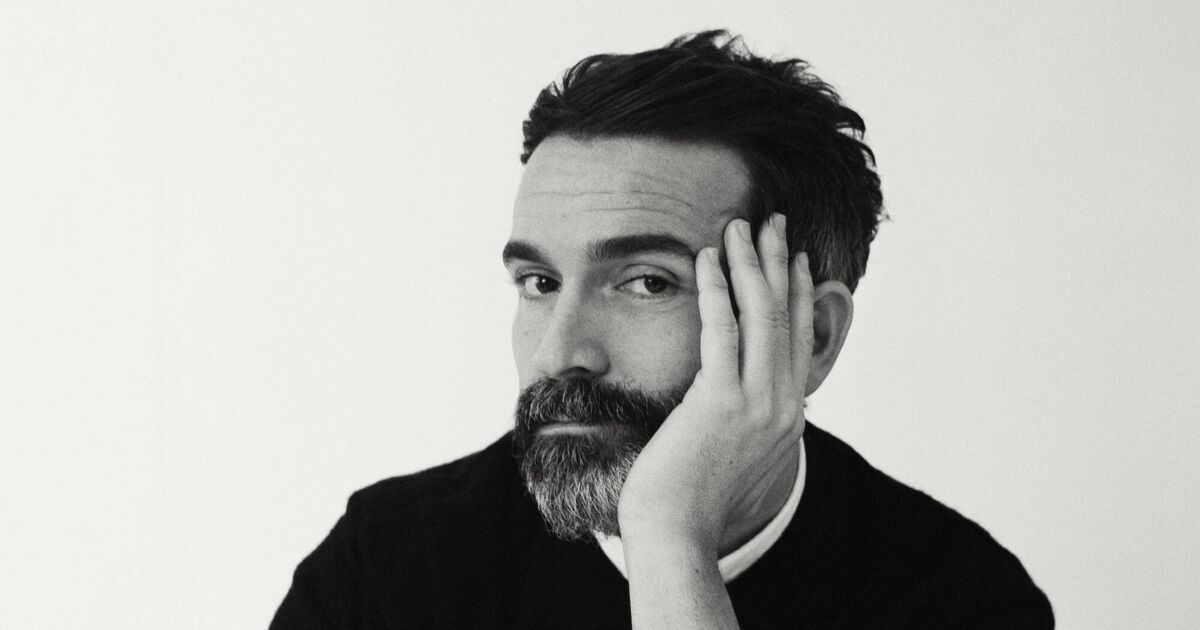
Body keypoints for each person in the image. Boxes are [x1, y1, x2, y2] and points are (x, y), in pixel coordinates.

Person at [270, 30, 1054, 629]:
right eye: (539, 283)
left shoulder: (958, 598)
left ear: (812, 336)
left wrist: (670, 542)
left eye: (647, 283)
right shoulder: (391, 567)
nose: (560, 352)